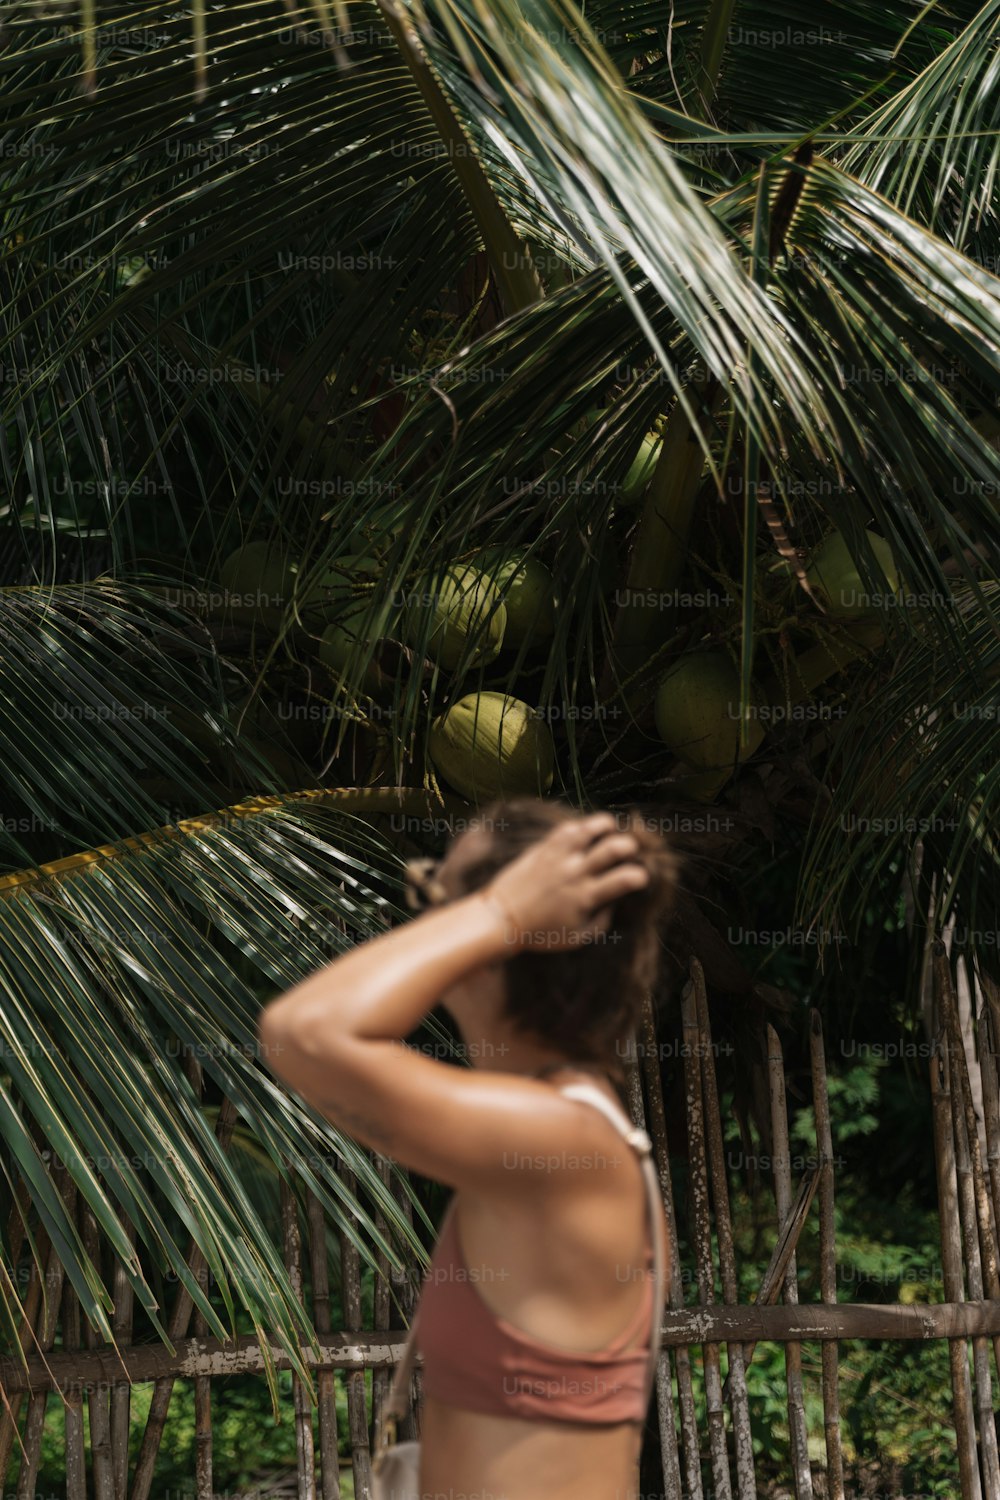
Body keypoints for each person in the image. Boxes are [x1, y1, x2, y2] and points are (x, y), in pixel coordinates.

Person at [258, 799, 679, 1500]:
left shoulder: (562, 1141)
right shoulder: (553, 1130)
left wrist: (498, 913)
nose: (426, 923)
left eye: (433, 895)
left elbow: (303, 1033)